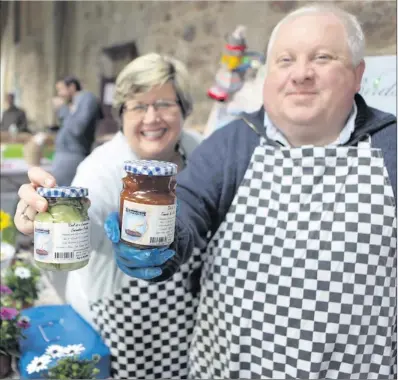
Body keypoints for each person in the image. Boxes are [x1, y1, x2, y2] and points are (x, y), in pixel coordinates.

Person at [104, 5, 397, 379]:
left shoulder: (390, 147)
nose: (301, 74)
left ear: (358, 75)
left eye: (322, 58)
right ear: (268, 74)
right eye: (285, 60)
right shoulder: (232, 145)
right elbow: (187, 211)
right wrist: (153, 242)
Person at [14, 54, 203, 379]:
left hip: (186, 318)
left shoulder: (199, 152)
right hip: (121, 320)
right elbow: (78, 234)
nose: (152, 117)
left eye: (164, 104)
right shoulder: (101, 170)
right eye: (138, 106)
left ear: (184, 108)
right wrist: (45, 221)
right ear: (121, 114)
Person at [51, 76, 102, 186]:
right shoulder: (73, 103)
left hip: (72, 156)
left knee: (59, 195)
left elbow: (77, 129)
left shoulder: (87, 98)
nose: (59, 94)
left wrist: (63, 108)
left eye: (61, 89)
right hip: (64, 155)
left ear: (72, 87)